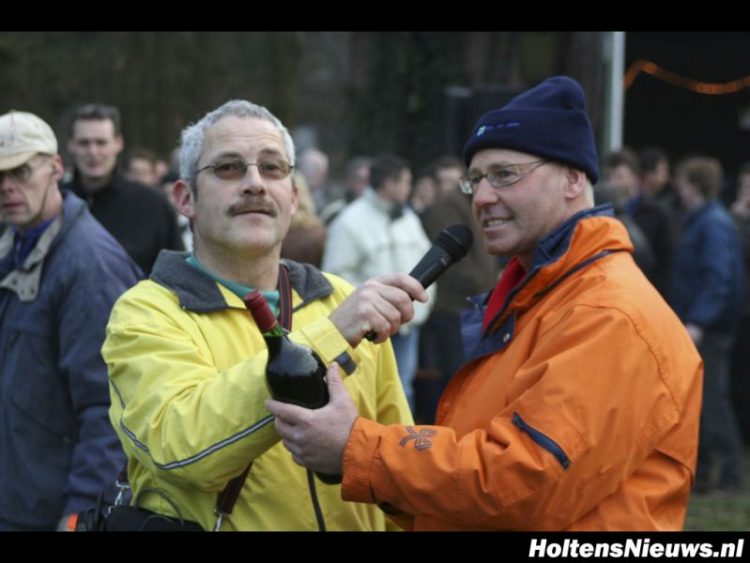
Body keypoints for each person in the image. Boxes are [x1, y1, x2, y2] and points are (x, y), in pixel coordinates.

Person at [267, 76, 703, 531]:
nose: (484, 197)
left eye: (504, 175)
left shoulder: (607, 314)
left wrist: (356, 448)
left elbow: (520, 484)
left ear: (574, 178)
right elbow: (476, 479)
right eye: (475, 180)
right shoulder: (543, 298)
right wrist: (360, 461)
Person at [101, 99, 417, 531]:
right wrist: (328, 337)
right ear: (185, 198)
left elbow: (399, 469)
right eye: (228, 168)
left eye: (272, 168)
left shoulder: (339, 298)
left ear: (293, 197)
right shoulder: (148, 311)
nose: (255, 184)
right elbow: (179, 449)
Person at [0, 110, 141, 530]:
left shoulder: (89, 264)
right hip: (19, 491)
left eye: (21, 171)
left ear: (56, 168)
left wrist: (80, 512)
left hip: (51, 508)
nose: (7, 186)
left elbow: (108, 406)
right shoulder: (15, 244)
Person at [323, 154, 436, 412]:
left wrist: (423, 308)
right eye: (406, 182)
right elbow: (335, 277)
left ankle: (401, 448)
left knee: (403, 392)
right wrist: (367, 312)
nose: (410, 188)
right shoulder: (349, 221)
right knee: (370, 396)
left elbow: (427, 257)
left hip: (408, 327)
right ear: (389, 183)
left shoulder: (408, 219)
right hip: (371, 332)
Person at [671, 156, 745, 493]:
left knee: (712, 400)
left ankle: (730, 474)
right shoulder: (704, 221)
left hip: (709, 329)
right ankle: (701, 473)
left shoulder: (711, 224)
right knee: (699, 400)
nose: (677, 187)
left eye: (682, 181)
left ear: (693, 185)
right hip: (702, 324)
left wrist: (698, 322)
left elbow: (718, 279)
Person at [63, 103, 183, 275]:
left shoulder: (153, 206)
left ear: (118, 143)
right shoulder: (55, 202)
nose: (93, 152)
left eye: (101, 142)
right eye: (84, 143)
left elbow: (178, 274)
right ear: (71, 145)